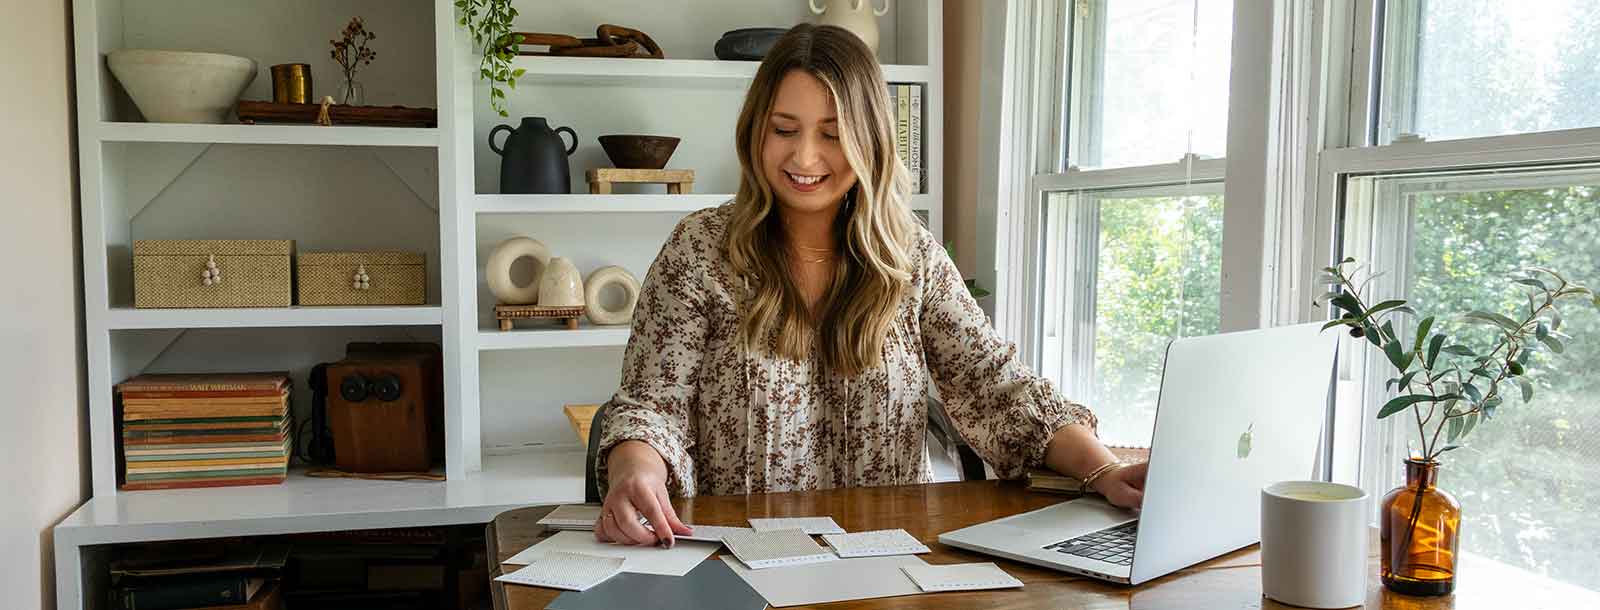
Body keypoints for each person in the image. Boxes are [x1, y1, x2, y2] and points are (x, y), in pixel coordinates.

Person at [593, 24, 1146, 547]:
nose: (804, 157)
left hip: (889, 559)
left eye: (832, 135)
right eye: (784, 129)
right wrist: (635, 470)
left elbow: (994, 385)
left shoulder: (910, 255)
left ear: (870, 139)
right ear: (755, 131)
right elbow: (651, 406)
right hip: (736, 560)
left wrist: (1102, 469)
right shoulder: (699, 249)